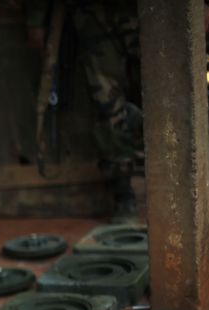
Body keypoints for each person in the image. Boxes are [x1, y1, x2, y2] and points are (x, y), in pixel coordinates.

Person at [26, 0, 143, 223]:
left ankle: (180, 184)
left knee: (166, 93)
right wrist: (36, 18)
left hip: (153, 11)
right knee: (106, 103)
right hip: (93, 13)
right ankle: (123, 193)